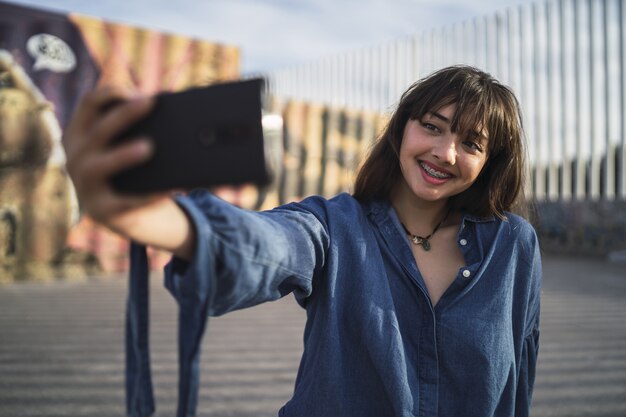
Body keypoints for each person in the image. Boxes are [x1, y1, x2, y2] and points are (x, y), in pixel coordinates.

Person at [63, 65, 542, 417]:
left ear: (490, 161)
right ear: (402, 130)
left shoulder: (514, 247)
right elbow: (267, 245)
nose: (445, 152)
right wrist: (159, 219)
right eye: (432, 127)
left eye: (471, 143)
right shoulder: (334, 225)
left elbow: (517, 383)